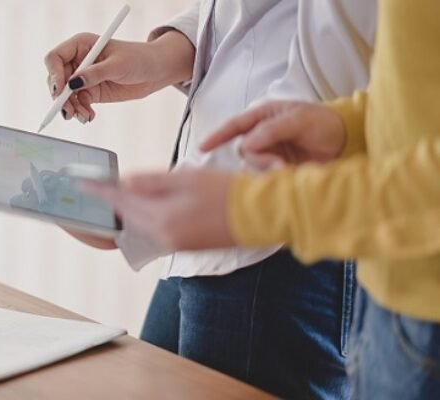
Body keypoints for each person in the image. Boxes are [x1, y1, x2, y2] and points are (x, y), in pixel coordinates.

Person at [86, 1, 440, 398]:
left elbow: (336, 59)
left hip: (285, 229)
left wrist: (246, 207)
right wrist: (346, 128)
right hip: (379, 271)